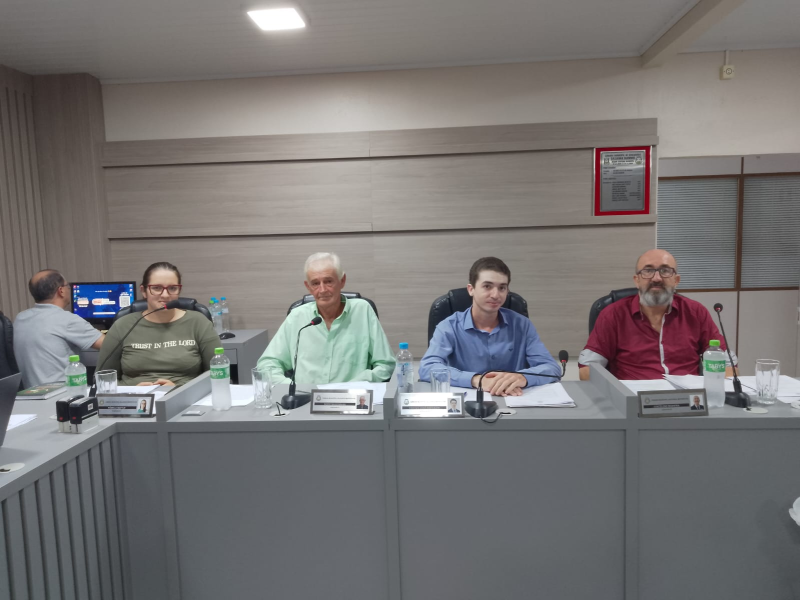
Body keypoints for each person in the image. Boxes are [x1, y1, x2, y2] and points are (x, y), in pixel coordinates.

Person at [578, 249, 737, 380]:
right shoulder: (613, 315)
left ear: (676, 280)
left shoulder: (696, 313)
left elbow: (728, 366)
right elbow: (587, 369)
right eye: (648, 271)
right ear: (636, 280)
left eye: (665, 271)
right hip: (633, 401)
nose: (656, 278)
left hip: (688, 401)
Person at [419, 257, 560, 397]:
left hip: (513, 400)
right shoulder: (449, 326)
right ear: (471, 289)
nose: (495, 295)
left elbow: (551, 368)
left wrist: (522, 377)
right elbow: (427, 367)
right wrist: (476, 380)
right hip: (468, 404)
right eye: (487, 286)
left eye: (502, 288)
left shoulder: (522, 325)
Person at [257, 252, 395, 384]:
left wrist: (357, 384)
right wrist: (292, 388)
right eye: (315, 283)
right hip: (305, 397)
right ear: (308, 287)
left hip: (351, 397)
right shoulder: (297, 317)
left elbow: (386, 364)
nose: (322, 290)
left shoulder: (362, 311)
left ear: (342, 281)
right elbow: (266, 365)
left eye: (328, 281)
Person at [97, 262, 220, 386]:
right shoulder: (122, 326)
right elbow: (102, 381)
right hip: (134, 396)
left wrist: (178, 389)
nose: (165, 295)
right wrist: (132, 391)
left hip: (186, 396)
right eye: (156, 288)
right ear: (144, 291)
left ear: (179, 290)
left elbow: (219, 374)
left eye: (172, 288)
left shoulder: (198, 322)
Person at [13, 270, 105, 388]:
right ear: (61, 291)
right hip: (63, 394)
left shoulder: (20, 318)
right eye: (68, 286)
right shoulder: (67, 320)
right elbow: (108, 345)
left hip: (29, 394)